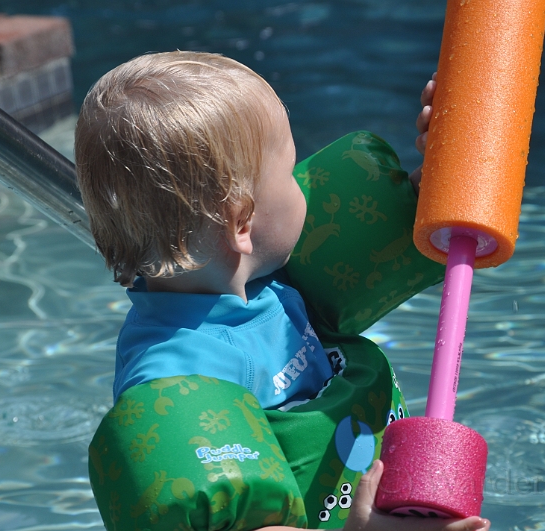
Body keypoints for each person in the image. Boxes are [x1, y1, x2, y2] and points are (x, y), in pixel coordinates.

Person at [75, 51, 490, 531]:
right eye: (290, 173)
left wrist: (452, 159)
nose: (302, 184)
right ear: (242, 223)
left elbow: (422, 222)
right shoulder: (179, 372)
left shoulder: (263, 284)